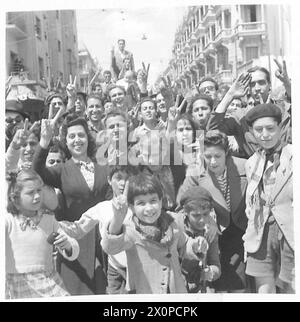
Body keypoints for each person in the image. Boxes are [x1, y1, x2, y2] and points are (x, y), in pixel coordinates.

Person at [32, 115, 110, 295]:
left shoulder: (103, 166)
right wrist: (44, 142)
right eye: (72, 136)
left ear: (88, 138)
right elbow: (37, 171)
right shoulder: (62, 170)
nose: (77, 140)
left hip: (104, 239)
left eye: (81, 135)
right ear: (66, 142)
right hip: (75, 242)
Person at [101, 172, 211, 294]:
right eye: (141, 203)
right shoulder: (130, 230)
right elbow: (110, 247)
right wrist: (118, 218)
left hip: (176, 294)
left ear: (160, 200)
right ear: (131, 207)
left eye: (153, 201)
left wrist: (196, 245)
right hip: (145, 295)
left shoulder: (171, 223)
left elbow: (184, 244)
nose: (149, 208)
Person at [178, 130, 248, 293]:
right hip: (210, 235)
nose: (213, 161)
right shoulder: (195, 174)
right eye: (208, 157)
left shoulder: (244, 166)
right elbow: (181, 207)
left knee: (239, 285)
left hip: (240, 230)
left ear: (227, 154)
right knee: (217, 286)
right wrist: (209, 219)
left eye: (218, 156)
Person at [58, 165, 137, 294]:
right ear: (109, 180)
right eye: (118, 178)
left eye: (127, 178)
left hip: (138, 268)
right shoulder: (102, 208)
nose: (123, 183)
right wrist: (55, 224)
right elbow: (78, 229)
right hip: (114, 270)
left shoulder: (139, 206)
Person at [242, 103, 294, 293]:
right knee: (264, 291)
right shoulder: (252, 163)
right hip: (261, 232)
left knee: (291, 289)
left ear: (281, 128)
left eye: (270, 128)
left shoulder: (294, 155)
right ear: (251, 132)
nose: (265, 134)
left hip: (290, 232)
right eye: (258, 130)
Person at [5, 169, 79, 299]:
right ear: (15, 198)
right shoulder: (9, 221)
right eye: (30, 193)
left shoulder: (48, 219)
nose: (37, 196)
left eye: (39, 190)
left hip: (48, 281)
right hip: (19, 284)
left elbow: (71, 245)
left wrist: (67, 245)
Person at [209, 63, 292, 158]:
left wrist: (287, 83)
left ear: (269, 84)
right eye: (252, 84)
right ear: (248, 88)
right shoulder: (241, 116)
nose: (257, 88)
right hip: (257, 170)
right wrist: (230, 94)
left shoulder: (283, 108)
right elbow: (212, 131)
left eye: (261, 82)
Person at [177, 186, 221, 293]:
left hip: (198, 286)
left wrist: (210, 273)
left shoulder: (210, 232)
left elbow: (216, 265)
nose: (202, 220)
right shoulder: (174, 224)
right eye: (196, 216)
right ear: (185, 212)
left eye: (206, 214)